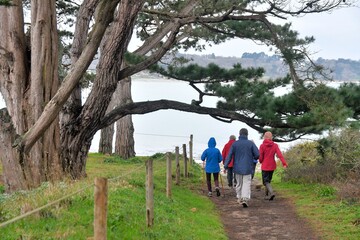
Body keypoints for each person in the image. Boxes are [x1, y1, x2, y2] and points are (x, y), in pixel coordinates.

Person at [224, 128, 259, 208]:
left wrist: (226, 165)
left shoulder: (235, 144)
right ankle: (245, 199)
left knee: (239, 183)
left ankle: (239, 197)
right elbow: (257, 154)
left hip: (237, 167)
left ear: (239, 134)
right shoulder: (250, 144)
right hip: (247, 167)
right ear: (247, 134)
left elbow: (229, 156)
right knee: (246, 183)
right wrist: (252, 157)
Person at [259, 131, 288, 201]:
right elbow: (280, 155)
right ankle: (266, 195)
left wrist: (260, 161)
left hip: (265, 165)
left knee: (265, 182)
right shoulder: (275, 145)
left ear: (265, 137)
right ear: (271, 137)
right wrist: (284, 163)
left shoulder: (262, 146)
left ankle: (271, 193)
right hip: (272, 165)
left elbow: (260, 157)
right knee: (268, 181)